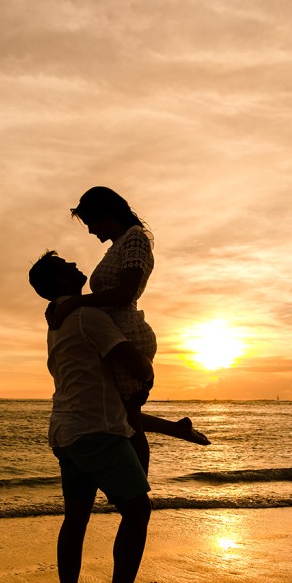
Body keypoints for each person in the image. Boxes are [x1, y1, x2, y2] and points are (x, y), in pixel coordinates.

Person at [47, 186, 209, 474]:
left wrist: (74, 302)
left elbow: (125, 292)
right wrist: (65, 303)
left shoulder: (134, 240)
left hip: (128, 334)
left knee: (130, 421)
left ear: (107, 213)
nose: (90, 231)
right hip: (115, 332)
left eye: (91, 222)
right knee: (122, 412)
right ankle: (176, 431)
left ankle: (138, 494)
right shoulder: (121, 243)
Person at [29, 250, 153, 583]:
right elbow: (137, 365)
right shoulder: (87, 316)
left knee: (76, 517)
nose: (75, 265)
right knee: (137, 511)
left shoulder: (57, 322)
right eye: (66, 266)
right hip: (97, 429)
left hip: (66, 431)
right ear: (59, 282)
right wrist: (144, 373)